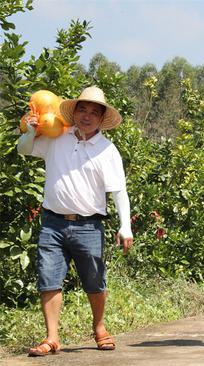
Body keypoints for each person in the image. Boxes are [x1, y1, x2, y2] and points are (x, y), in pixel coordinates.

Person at [17, 86, 134, 356]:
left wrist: (125, 225)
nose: (87, 116)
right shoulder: (57, 137)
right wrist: (31, 131)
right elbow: (24, 149)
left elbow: (119, 191)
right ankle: (52, 338)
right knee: (49, 279)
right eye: (83, 109)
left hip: (89, 226)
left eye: (94, 112)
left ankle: (100, 326)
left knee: (94, 280)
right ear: (75, 111)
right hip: (52, 223)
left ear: (102, 118)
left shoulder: (107, 151)